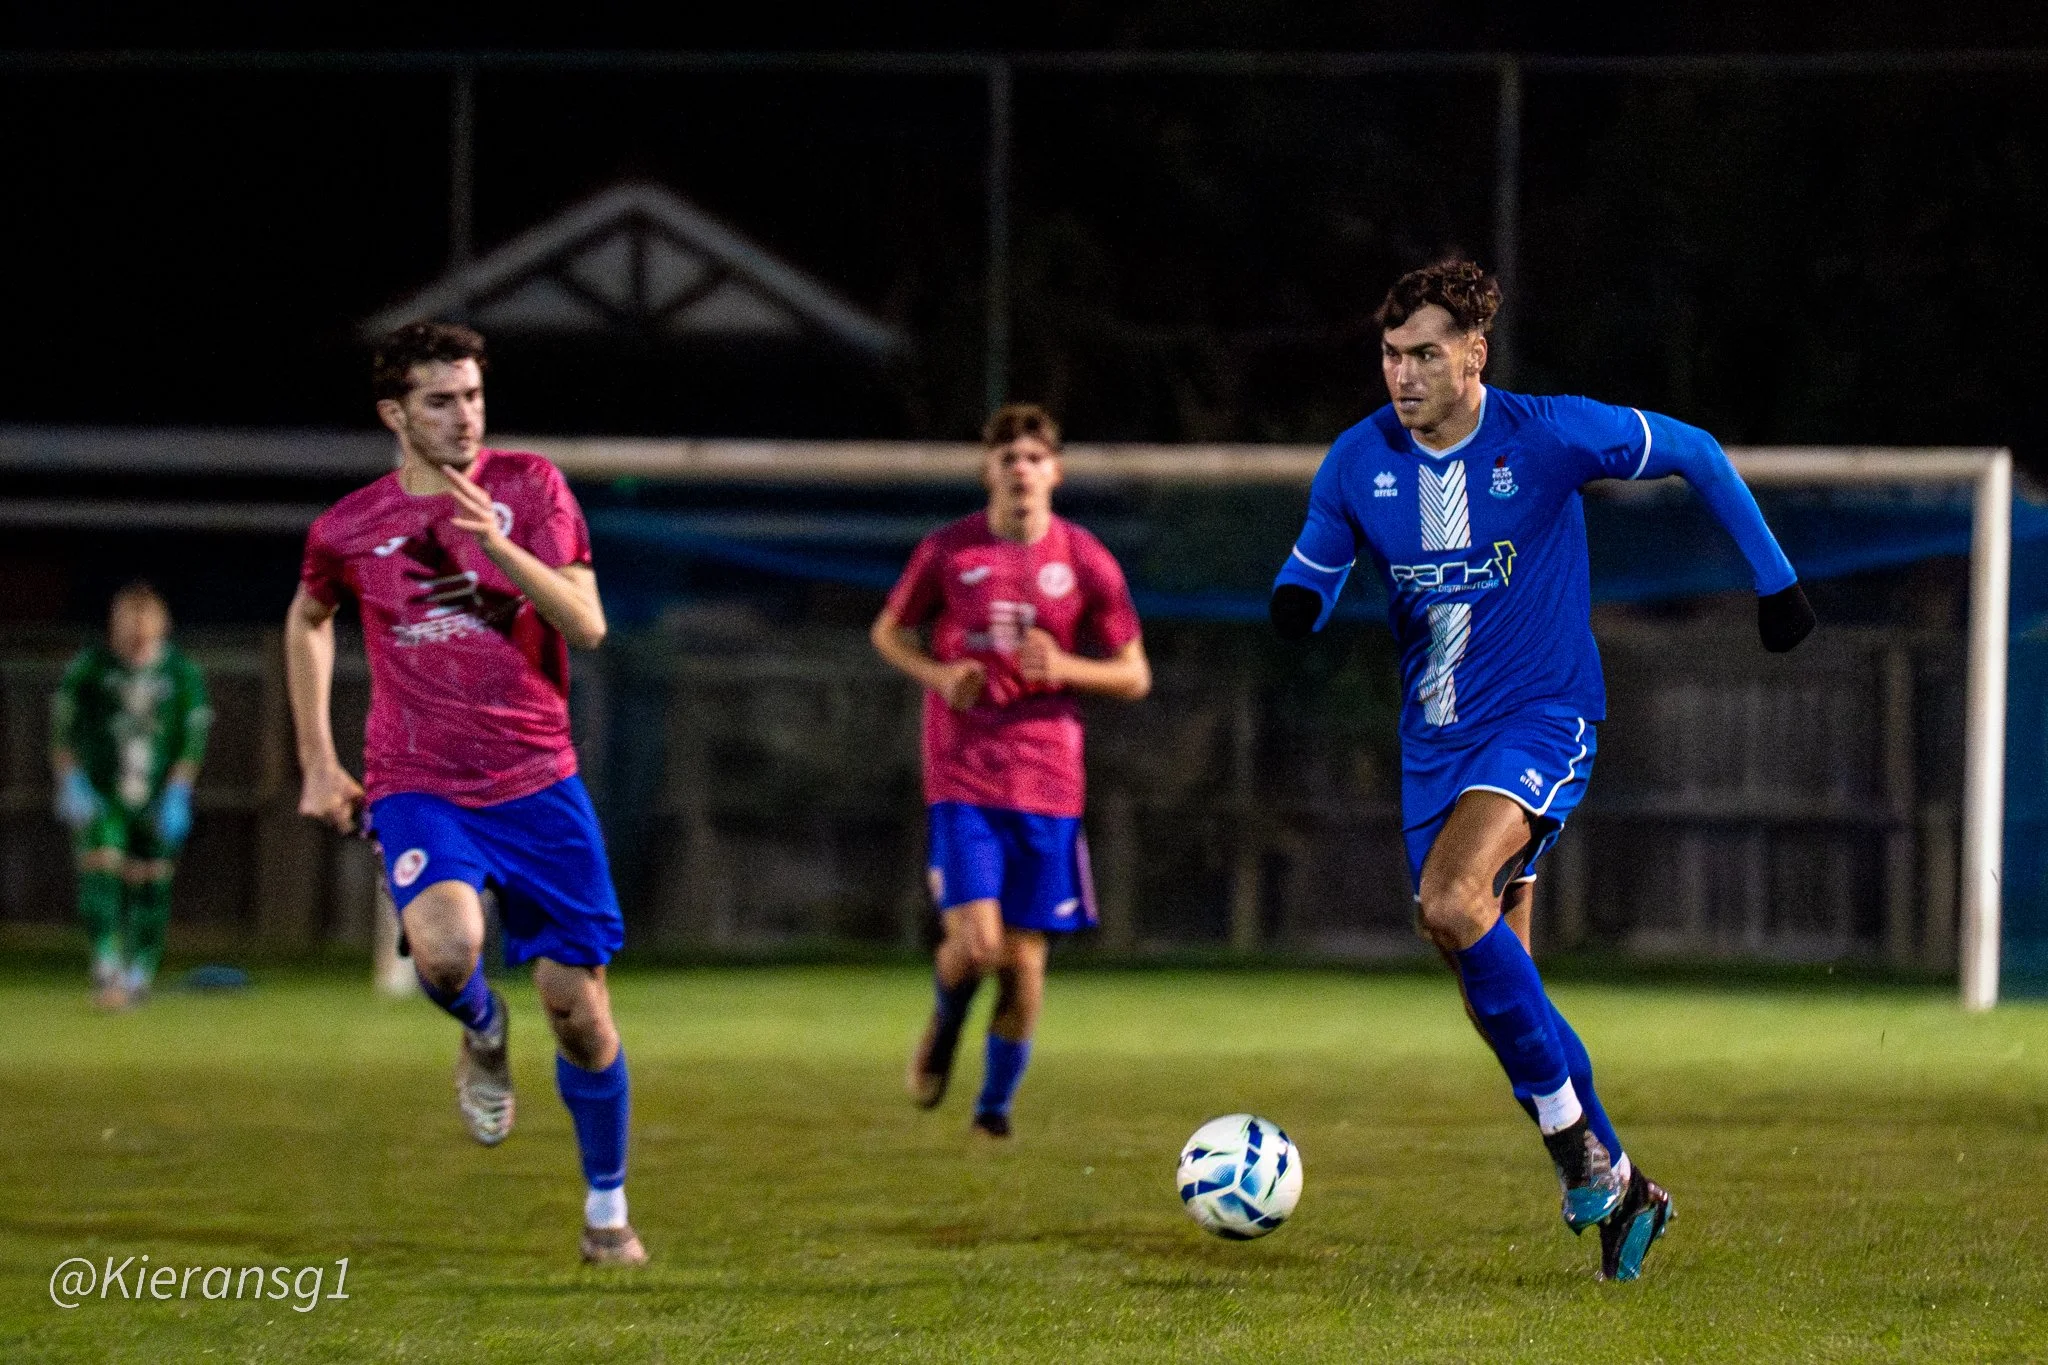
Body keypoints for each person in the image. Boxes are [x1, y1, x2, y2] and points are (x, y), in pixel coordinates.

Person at [1269, 259, 1814, 1281]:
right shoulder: (1358, 458)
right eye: (1389, 355)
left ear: (1474, 354)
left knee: (1449, 899)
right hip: (1433, 744)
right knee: (1489, 981)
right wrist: (1297, 601)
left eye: (1425, 353)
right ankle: (1624, 1186)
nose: (1402, 374)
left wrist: (1776, 585)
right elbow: (1314, 563)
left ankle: (1575, 1154)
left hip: (1540, 719)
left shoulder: (1548, 435)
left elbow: (1695, 452)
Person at [285, 321, 644, 1265]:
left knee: (578, 1011)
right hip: (418, 780)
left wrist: (500, 549)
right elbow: (310, 616)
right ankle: (483, 1028)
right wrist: (318, 757)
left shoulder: (531, 488)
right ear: (394, 413)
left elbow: (589, 624)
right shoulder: (349, 527)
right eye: (440, 400)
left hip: (537, 782)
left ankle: (606, 1208)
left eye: (474, 395)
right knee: (446, 953)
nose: (465, 416)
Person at [872, 403, 1151, 1138]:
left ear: (1055, 472)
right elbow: (889, 632)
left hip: (1048, 782)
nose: (1020, 470)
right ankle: (944, 1023)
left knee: (1025, 966)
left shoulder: (1085, 559)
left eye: (1033, 458)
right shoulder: (948, 550)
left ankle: (991, 1116)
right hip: (963, 775)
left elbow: (1134, 674)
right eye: (1007, 458)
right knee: (977, 945)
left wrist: (1065, 667)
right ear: (987, 471)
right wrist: (940, 676)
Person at [51, 583, 211, 1009]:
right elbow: (64, 726)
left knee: (151, 881)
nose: (137, 636)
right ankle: (105, 962)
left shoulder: (180, 673)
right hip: (103, 793)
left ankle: (139, 972)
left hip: (156, 794)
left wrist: (179, 788)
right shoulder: (92, 668)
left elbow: (192, 738)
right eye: (128, 627)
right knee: (101, 868)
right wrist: (71, 778)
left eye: (145, 626)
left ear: (162, 626)